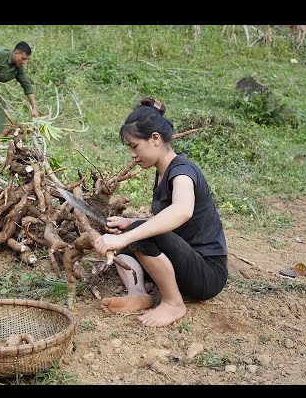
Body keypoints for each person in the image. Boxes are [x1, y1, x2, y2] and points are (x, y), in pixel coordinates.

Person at [93, 98, 228, 328]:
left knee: (136, 235)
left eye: (135, 146)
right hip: (184, 263)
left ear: (155, 139)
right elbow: (168, 221)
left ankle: (174, 303)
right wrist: (130, 223)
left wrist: (130, 233)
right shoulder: (162, 171)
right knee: (128, 237)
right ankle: (137, 293)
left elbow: (182, 211)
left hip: (206, 275)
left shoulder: (183, 173)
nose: (133, 155)